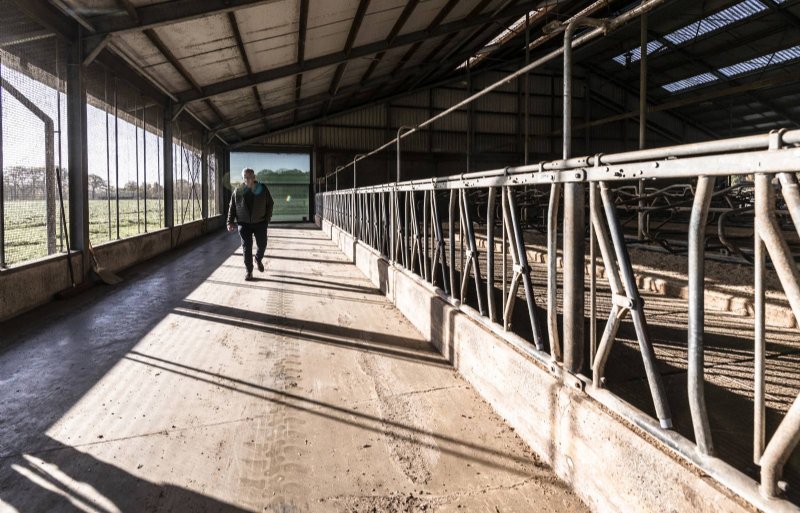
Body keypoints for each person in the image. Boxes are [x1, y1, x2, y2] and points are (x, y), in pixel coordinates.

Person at [227, 167, 275, 280]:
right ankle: (249, 271)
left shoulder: (262, 189)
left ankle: (258, 259)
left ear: (254, 177)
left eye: (250, 177)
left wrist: (267, 219)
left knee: (262, 245)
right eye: (245, 177)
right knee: (246, 247)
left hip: (260, 223)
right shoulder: (237, 191)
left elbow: (270, 204)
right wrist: (229, 222)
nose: (248, 179)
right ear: (243, 178)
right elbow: (232, 207)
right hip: (244, 224)